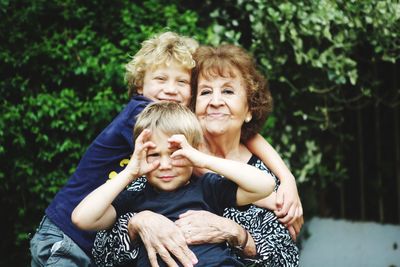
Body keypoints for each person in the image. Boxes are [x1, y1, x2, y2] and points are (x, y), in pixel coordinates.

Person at [93, 44, 302, 266]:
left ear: (250, 109)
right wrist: (138, 224)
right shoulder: (168, 157)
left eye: (228, 91)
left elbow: (285, 259)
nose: (215, 101)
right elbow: (100, 249)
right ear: (192, 106)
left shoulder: (266, 177)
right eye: (205, 92)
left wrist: (238, 235)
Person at [29, 31, 199, 267]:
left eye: (181, 82)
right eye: (161, 79)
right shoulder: (141, 115)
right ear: (140, 84)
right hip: (65, 236)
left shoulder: (167, 119)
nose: (171, 89)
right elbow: (197, 158)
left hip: (92, 242)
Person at [72, 101, 276, 267]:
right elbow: (83, 218)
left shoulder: (207, 188)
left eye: (175, 154)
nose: (165, 165)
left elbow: (264, 185)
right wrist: (130, 172)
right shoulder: (134, 199)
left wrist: (202, 160)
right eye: (153, 155)